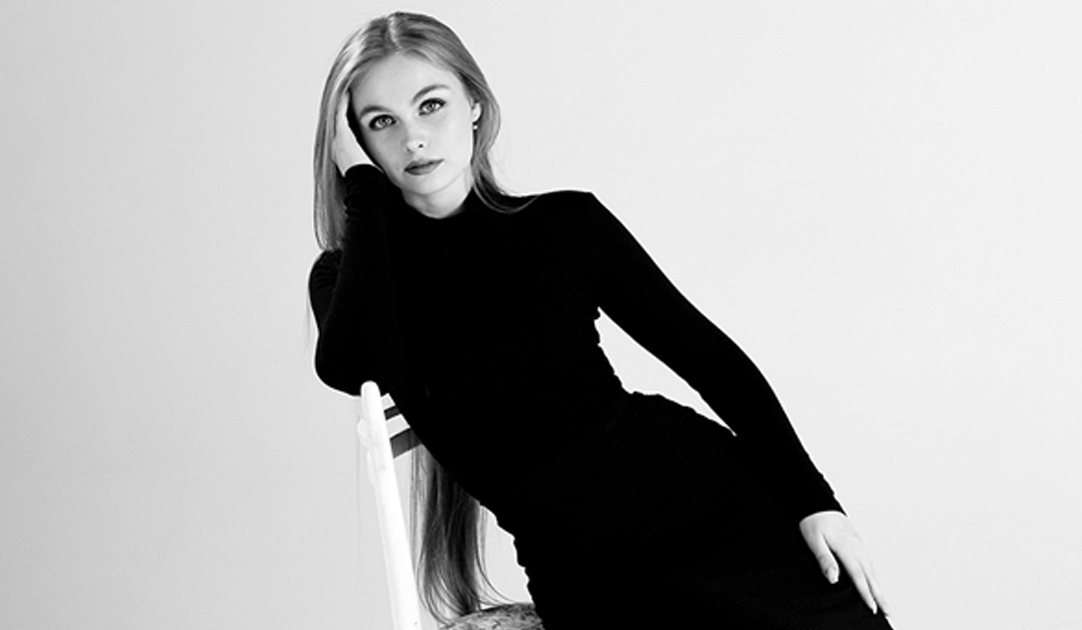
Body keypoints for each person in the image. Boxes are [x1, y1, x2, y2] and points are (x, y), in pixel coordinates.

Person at [309, 11, 892, 629]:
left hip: (707, 500)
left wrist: (813, 501)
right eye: (382, 122)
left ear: (474, 105)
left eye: (432, 106)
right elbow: (356, 366)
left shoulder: (564, 224)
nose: (414, 139)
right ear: (355, 143)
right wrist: (362, 189)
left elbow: (710, 359)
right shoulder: (348, 280)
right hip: (585, 566)